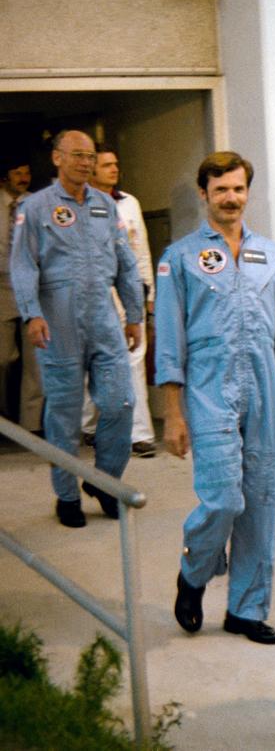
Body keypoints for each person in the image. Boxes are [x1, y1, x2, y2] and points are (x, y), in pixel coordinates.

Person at [155, 150, 275, 645]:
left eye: (238, 189)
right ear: (204, 194)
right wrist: (172, 413)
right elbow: (170, 339)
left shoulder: (272, 254)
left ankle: (246, 608)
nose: (231, 198)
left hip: (263, 389)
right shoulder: (179, 258)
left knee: (261, 502)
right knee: (223, 499)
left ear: (248, 192)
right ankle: (194, 573)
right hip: (209, 388)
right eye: (221, 189)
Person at [10, 130, 144, 528]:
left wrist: (135, 314)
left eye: (90, 156)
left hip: (103, 314)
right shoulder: (35, 207)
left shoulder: (106, 205)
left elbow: (126, 262)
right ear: (57, 158)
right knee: (64, 414)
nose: (85, 163)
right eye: (77, 155)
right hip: (57, 317)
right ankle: (66, 494)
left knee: (120, 401)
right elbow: (23, 264)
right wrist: (32, 313)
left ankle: (104, 483)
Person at [81, 145, 157, 457]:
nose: (114, 169)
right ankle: (89, 424)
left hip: (130, 291)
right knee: (95, 363)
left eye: (116, 164)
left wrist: (148, 293)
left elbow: (140, 249)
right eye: (106, 165)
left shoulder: (129, 203)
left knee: (134, 360)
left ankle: (140, 434)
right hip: (95, 294)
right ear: (91, 170)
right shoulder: (78, 203)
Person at [0, 160, 42, 432]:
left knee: (36, 360)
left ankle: (32, 425)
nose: (23, 178)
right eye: (17, 173)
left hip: (31, 284)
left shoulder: (38, 203)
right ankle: (4, 417)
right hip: (0, 284)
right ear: (5, 177)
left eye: (27, 172)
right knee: (3, 358)